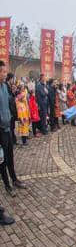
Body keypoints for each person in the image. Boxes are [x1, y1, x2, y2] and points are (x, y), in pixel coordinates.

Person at [0, 61, 27, 197]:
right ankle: (7, 185)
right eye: (3, 72)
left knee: (10, 156)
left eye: (5, 72)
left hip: (8, 128)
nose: (5, 74)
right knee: (2, 159)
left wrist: (16, 117)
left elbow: (11, 105)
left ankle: (15, 180)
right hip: (0, 131)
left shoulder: (5, 86)